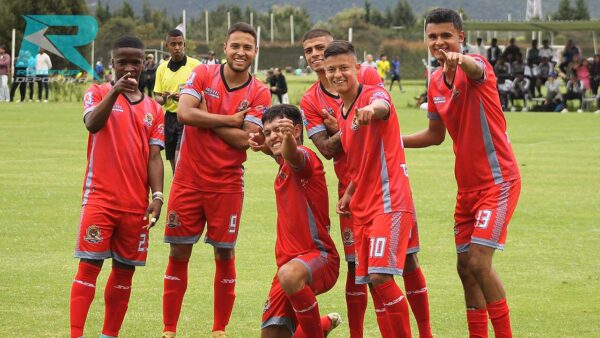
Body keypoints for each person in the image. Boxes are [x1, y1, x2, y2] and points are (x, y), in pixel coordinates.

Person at [300, 29, 431, 338]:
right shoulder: (337, 114)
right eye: (331, 68)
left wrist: (370, 112)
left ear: (357, 68)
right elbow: (355, 158)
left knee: (385, 274)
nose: (334, 71)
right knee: (369, 277)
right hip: (360, 202)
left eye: (343, 67)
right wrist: (349, 193)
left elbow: (382, 106)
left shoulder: (370, 92)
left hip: (389, 199)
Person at [403, 8, 521, 338]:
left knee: (479, 264)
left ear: (461, 37)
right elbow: (434, 135)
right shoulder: (434, 80)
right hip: (466, 190)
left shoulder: (477, 67)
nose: (440, 42)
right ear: (425, 40)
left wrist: (460, 60)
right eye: (433, 36)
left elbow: (473, 66)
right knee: (464, 269)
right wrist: (390, 143)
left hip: (498, 183)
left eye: (446, 36)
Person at [162, 22, 271, 338]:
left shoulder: (260, 91)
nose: (241, 52)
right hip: (188, 181)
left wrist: (205, 117)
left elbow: (244, 140)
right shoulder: (204, 73)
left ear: (255, 52)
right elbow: (183, 113)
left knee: (224, 253)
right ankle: (169, 330)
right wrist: (229, 119)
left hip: (227, 184)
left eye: (247, 47)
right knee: (178, 252)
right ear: (225, 47)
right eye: (235, 46)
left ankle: (219, 330)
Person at [69, 35, 165, 338]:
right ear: (112, 63)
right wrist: (114, 93)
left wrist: (158, 196)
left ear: (144, 64)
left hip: (136, 205)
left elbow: (154, 158)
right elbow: (92, 124)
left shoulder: (153, 108)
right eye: (122, 62)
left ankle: (108, 335)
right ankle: (76, 334)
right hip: (99, 200)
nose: (128, 68)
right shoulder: (97, 92)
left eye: (135, 62)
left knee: (125, 273)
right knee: (89, 268)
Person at [248, 104, 341, 338]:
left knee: (289, 275)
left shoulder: (306, 158)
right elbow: (283, 155)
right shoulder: (283, 164)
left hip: (319, 258)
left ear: (296, 130)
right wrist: (268, 146)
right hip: (286, 269)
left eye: (280, 129)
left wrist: (285, 140)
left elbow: (294, 154)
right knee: (272, 335)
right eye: (267, 132)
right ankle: (322, 324)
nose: (272, 136)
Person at [154, 29, 201, 173]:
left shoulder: (196, 66)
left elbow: (203, 94)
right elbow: (157, 98)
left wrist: (185, 98)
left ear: (184, 45)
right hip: (169, 118)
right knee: (174, 163)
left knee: (180, 158)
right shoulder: (162, 68)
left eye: (180, 44)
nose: (177, 47)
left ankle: (182, 190)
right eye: (173, 44)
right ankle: (179, 189)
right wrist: (165, 97)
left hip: (187, 118)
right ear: (167, 45)